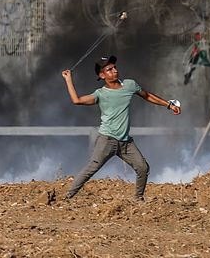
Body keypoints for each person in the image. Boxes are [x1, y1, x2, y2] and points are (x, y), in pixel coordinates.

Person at [61, 55, 181, 201]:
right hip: (107, 140)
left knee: (143, 168)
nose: (114, 71)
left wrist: (169, 105)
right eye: (109, 69)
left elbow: (147, 95)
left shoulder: (130, 85)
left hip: (125, 142)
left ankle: (138, 199)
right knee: (91, 169)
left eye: (114, 67)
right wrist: (68, 79)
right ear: (102, 75)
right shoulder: (101, 94)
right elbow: (77, 100)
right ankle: (66, 198)